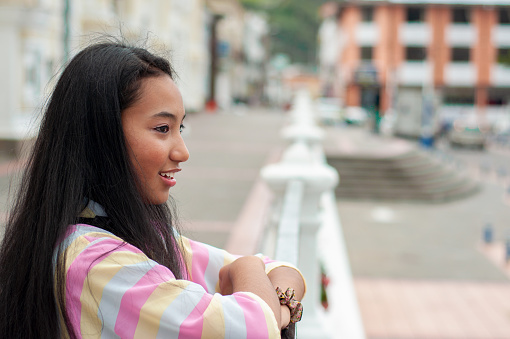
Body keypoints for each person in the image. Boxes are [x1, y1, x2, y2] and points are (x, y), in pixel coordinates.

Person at [0, 40, 305, 338]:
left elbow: (281, 269)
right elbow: (254, 329)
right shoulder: (96, 263)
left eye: (179, 128)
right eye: (162, 129)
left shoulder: (137, 233)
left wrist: (266, 299)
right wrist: (250, 270)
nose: (182, 151)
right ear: (101, 135)